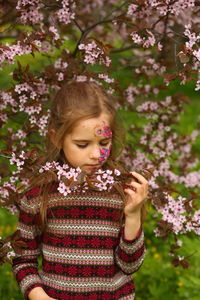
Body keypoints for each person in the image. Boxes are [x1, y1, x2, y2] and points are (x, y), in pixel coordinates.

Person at [12, 81, 148, 300]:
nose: (96, 154)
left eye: (104, 143)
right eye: (82, 145)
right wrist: (39, 296)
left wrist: (133, 215)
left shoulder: (120, 193)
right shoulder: (39, 197)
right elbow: (23, 259)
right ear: (57, 137)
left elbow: (130, 265)